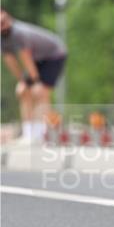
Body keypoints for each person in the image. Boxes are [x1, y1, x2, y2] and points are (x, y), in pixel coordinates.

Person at [1, 9, 67, 141]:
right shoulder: (2, 39)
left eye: (4, 22)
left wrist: (36, 82)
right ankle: (28, 133)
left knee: (40, 92)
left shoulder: (18, 33)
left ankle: (42, 133)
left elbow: (26, 58)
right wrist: (22, 81)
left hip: (54, 55)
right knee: (22, 91)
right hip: (37, 59)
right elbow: (10, 60)